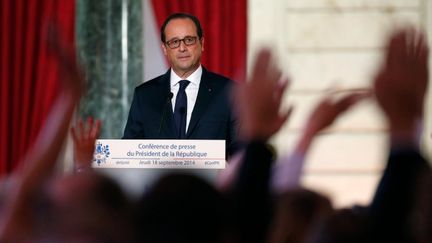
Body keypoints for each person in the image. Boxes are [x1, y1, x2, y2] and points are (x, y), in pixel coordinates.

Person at [123, 12, 240, 156]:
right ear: (165, 49)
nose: (182, 48)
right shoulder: (145, 95)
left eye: (189, 40)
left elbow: (240, 153)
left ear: (202, 43)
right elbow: (128, 151)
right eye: (174, 42)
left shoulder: (229, 92)